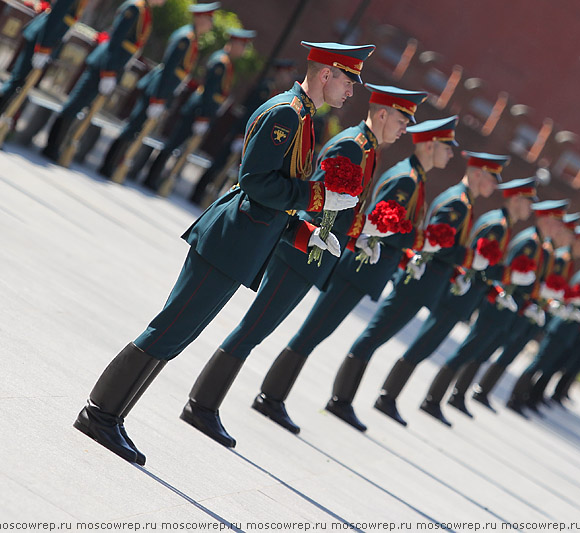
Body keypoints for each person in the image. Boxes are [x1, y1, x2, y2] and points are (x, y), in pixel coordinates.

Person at [72, 41, 374, 464]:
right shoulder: (288, 114)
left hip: (244, 242)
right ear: (327, 74)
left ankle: (112, 415)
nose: (351, 93)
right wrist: (316, 195)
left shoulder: (303, 116)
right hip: (230, 239)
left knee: (179, 333)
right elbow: (255, 182)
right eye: (348, 82)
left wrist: (304, 232)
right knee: (171, 327)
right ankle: (99, 412)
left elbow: (276, 196)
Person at [182, 83, 425, 445]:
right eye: (402, 119)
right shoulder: (352, 146)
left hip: (315, 254)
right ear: (383, 113)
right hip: (300, 252)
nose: (405, 129)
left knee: (259, 330)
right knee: (254, 328)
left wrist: (363, 233)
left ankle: (211, 402)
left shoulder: (368, 149)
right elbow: (318, 201)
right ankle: (202, 404)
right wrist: (341, 230)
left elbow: (343, 208)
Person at [329, 151, 508, 427]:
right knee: (375, 335)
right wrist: (468, 259)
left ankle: (366, 398)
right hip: (419, 283)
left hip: (425, 284)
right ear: (476, 174)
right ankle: (343, 399)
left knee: (379, 336)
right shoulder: (458, 203)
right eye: (492, 178)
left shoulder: (464, 202)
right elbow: (436, 243)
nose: (495, 185)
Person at [373, 177, 537, 426]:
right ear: (515, 199)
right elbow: (476, 261)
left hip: (463, 293)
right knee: (424, 344)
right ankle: (391, 396)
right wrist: (507, 276)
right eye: (528, 201)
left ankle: (413, 397)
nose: (530, 208)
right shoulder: (497, 224)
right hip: (457, 293)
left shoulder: (501, 224)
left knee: (428, 346)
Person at [418, 199, 568, 425]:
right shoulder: (529, 241)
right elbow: (504, 272)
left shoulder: (537, 244)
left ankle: (455, 395)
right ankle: (433, 398)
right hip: (496, 305)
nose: (559, 229)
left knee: (478, 352)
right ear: (546, 219)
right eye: (557, 222)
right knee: (468, 350)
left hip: (508, 307)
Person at [479, 219, 580, 411]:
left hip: (536, 311)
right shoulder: (557, 256)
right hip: (524, 308)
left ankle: (491, 391)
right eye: (571, 236)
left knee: (511, 353)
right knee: (501, 349)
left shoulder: (564, 259)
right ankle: (487, 390)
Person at [97, 3, 219, 177]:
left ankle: (114, 165)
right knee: (133, 127)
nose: (210, 24)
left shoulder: (191, 38)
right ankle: (108, 165)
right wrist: (158, 98)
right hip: (157, 89)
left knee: (137, 128)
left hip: (161, 90)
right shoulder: (185, 37)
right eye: (209, 20)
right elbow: (169, 69)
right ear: (199, 18)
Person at [505, 246, 580, 413]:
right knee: (538, 363)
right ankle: (516, 397)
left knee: (546, 365)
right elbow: (568, 297)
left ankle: (526, 396)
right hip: (562, 327)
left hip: (570, 330)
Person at [41, 0, 163, 161]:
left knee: (81, 106)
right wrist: (108, 72)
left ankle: (58, 145)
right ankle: (51, 146)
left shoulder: (144, 11)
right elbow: (115, 41)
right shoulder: (135, 8)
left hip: (111, 67)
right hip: (104, 65)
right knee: (75, 103)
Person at [142, 28, 256, 190]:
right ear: (235, 44)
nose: (243, 51)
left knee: (178, 145)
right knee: (174, 143)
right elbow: (209, 93)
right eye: (242, 46)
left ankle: (157, 177)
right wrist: (203, 117)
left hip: (201, 111)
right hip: (198, 110)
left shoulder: (226, 62)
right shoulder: (220, 62)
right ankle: (151, 177)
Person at [0, 0, 91, 141]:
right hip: (40, 40)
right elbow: (54, 19)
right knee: (16, 81)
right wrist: (42, 48)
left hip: (45, 44)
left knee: (20, 83)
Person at [188, 58, 297, 204]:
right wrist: (241, 135)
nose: (289, 78)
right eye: (288, 74)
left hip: (251, 138)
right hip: (242, 134)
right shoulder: (264, 89)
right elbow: (250, 114)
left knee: (235, 170)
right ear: (281, 72)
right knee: (219, 164)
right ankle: (198, 193)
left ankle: (214, 195)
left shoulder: (276, 92)